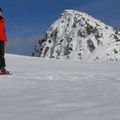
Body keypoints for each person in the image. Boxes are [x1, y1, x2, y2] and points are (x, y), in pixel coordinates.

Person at [0, 8, 9, 73]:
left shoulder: (3, 20)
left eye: (0, 11)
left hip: (2, 39)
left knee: (1, 54)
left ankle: (2, 68)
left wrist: (5, 39)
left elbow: (4, 31)